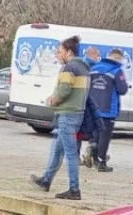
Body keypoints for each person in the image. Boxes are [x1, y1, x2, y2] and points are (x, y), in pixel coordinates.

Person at [30, 36, 90, 201]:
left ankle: (74, 189)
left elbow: (64, 90)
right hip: (77, 113)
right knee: (57, 150)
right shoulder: (84, 68)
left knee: (71, 153)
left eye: (60, 52)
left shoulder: (68, 68)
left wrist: (52, 99)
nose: (57, 55)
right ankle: (46, 180)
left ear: (69, 52)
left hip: (67, 114)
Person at [85, 48, 130, 172]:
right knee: (104, 137)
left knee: (95, 135)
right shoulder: (117, 71)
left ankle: (94, 157)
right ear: (118, 58)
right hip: (108, 110)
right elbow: (123, 90)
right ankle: (101, 162)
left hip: (93, 108)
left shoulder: (93, 68)